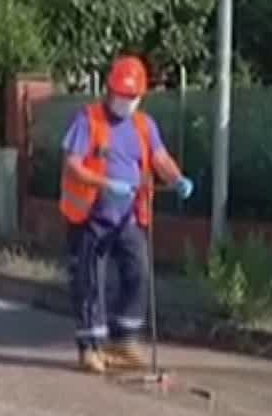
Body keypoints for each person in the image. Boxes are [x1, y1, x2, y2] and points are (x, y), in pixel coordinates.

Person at [59, 55, 193, 375]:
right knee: (90, 282)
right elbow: (72, 165)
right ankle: (90, 348)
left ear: (141, 96)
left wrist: (177, 179)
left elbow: (159, 158)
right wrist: (106, 184)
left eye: (132, 97)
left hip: (128, 217)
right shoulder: (88, 120)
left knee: (138, 274)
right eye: (121, 94)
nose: (125, 101)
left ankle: (124, 343)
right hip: (90, 216)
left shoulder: (144, 126)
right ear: (109, 89)